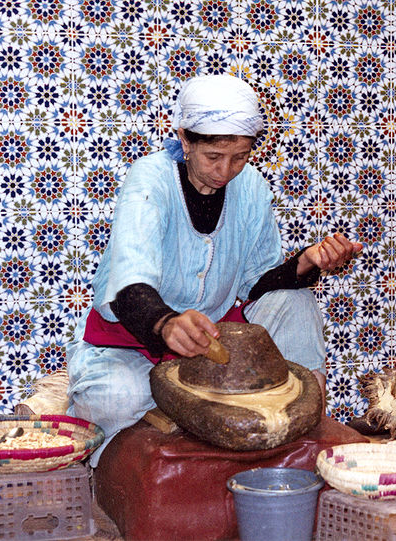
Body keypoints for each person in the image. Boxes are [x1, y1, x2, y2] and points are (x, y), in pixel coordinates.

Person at [66, 74, 362, 467]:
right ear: (185, 141)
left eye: (239, 157)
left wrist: (305, 262)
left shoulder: (252, 187)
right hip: (133, 340)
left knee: (295, 301)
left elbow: (257, 282)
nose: (225, 171)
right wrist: (166, 324)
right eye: (213, 157)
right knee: (117, 399)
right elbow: (129, 282)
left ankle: (309, 428)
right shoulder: (150, 178)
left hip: (212, 340)